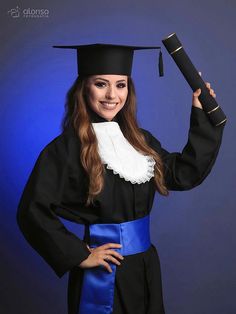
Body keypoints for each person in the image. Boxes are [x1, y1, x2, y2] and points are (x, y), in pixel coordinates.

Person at [16, 43, 226, 314]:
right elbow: (32, 210)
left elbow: (183, 173)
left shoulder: (141, 141)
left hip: (145, 266)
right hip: (104, 269)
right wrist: (80, 255)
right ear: (84, 88)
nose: (112, 95)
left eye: (121, 85)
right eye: (101, 84)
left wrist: (202, 115)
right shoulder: (66, 148)